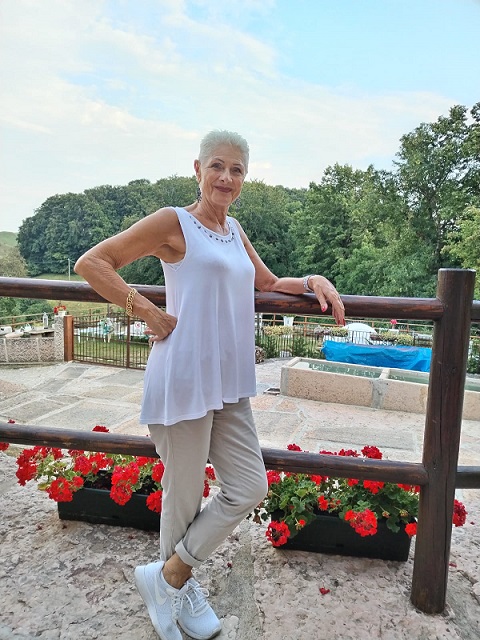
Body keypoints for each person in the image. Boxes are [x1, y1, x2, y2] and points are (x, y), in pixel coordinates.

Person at [75, 130, 345, 640]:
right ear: (197, 169)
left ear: (245, 178)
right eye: (217, 166)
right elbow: (92, 262)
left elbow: (268, 283)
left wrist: (313, 282)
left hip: (228, 381)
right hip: (184, 374)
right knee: (182, 494)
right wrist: (147, 310)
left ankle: (168, 577)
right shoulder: (173, 222)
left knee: (249, 486)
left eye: (236, 170)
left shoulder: (232, 229)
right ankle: (177, 589)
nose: (226, 177)